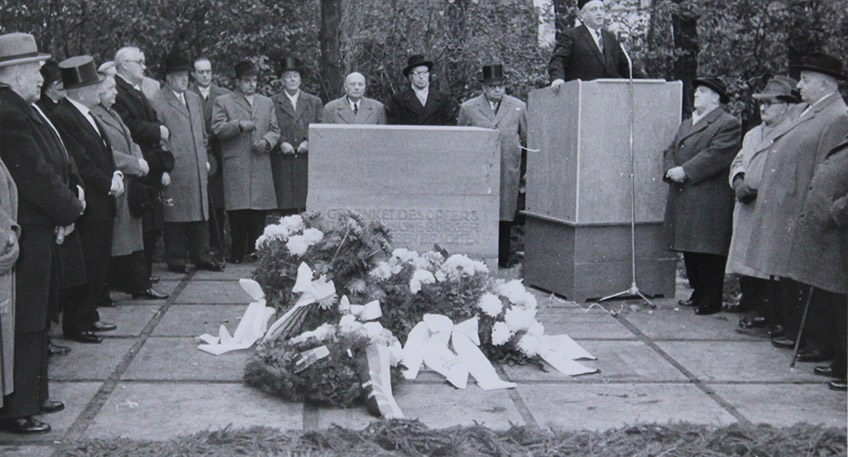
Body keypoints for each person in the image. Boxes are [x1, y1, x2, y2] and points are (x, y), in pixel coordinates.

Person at [0, 32, 83, 434]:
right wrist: (71, 207)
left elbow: (52, 163)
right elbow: (33, 174)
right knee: (27, 320)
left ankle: (34, 394)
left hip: (40, 228)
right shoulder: (8, 112)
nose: (40, 76)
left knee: (38, 316)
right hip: (28, 230)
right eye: (33, 69)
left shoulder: (23, 108)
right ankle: (18, 408)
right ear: (12, 74)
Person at [746, 52, 848, 363]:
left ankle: (817, 341)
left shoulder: (837, 115)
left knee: (812, 277)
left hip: (807, 206)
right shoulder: (808, 110)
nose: (799, 86)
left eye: (805, 80)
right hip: (788, 204)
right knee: (794, 275)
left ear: (824, 84)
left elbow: (828, 166)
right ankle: (801, 334)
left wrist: (813, 206)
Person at [50, 55, 123, 344]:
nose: (100, 89)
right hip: (89, 204)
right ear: (80, 90)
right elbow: (80, 160)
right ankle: (77, 323)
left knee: (98, 262)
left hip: (102, 201)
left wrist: (114, 173)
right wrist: (108, 183)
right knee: (87, 263)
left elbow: (103, 152)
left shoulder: (86, 114)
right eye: (95, 85)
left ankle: (89, 315)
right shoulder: (64, 116)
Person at [662, 77, 741, 316]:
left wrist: (685, 171)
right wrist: (669, 169)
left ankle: (711, 298)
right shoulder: (687, 123)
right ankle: (698, 292)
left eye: (703, 92)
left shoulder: (728, 123)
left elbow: (716, 154)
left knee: (709, 249)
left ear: (716, 98)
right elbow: (671, 149)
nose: (696, 95)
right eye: (696, 91)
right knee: (690, 248)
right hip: (685, 192)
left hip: (709, 196)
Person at [727, 77, 799, 333]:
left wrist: (759, 188)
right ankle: (753, 304)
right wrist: (738, 181)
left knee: (769, 264)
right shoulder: (752, 134)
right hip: (747, 207)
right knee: (747, 260)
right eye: (761, 103)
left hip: (770, 208)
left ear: (787, 106)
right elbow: (738, 162)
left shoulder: (793, 132)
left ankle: (769, 315)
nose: (763, 108)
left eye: (770, 103)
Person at [92, 72, 169, 301]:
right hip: (116, 185)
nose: (116, 93)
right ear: (99, 92)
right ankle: (108, 291)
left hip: (129, 184)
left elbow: (130, 141)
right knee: (116, 242)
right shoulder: (95, 116)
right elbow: (106, 153)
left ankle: (139, 285)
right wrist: (135, 163)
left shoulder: (112, 113)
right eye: (110, 89)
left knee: (131, 240)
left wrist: (139, 159)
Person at [152, 53, 223, 273]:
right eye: (178, 76)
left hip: (197, 164)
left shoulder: (192, 98)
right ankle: (176, 258)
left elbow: (202, 133)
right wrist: (163, 166)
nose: (184, 80)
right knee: (175, 213)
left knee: (200, 211)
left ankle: (202, 256)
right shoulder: (158, 102)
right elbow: (156, 139)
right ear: (168, 78)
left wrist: (205, 157)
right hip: (175, 166)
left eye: (185, 75)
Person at [113, 46, 175, 284]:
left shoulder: (134, 90)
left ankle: (143, 276)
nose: (144, 66)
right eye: (139, 61)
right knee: (142, 225)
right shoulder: (119, 91)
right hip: (137, 165)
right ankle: (137, 279)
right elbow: (128, 125)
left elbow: (148, 116)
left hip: (149, 164)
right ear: (125, 64)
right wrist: (156, 130)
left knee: (149, 225)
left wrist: (158, 129)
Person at [457, 64, 527, 267]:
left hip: (507, 169)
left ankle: (503, 258)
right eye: (493, 86)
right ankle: (478, 256)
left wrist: (524, 170)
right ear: (484, 88)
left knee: (505, 212)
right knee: (479, 210)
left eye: (501, 85)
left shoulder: (518, 107)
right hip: (479, 171)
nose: (498, 90)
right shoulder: (468, 108)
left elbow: (527, 138)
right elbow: (460, 139)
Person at [794, 131, 847, 390]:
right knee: (838, 301)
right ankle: (842, 363)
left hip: (842, 228)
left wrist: (840, 209)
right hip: (837, 234)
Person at [211, 61, 280, 263]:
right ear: (238, 82)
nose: (251, 85)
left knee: (259, 212)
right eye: (247, 81)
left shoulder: (266, 102)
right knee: (238, 212)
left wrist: (267, 141)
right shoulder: (223, 101)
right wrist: (238, 125)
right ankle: (237, 253)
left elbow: (275, 129)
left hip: (260, 162)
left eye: (254, 81)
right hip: (237, 164)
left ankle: (257, 251)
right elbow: (217, 129)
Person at [188, 57, 230, 260]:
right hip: (196, 152)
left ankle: (218, 246)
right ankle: (197, 248)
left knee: (218, 201)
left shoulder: (224, 95)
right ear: (193, 74)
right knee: (197, 200)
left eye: (208, 71)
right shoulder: (187, 95)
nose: (205, 75)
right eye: (200, 72)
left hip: (219, 152)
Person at [270, 56, 322, 215]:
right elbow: (269, 126)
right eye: (288, 76)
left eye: (295, 75)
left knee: (308, 206)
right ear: (281, 80)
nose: (292, 79)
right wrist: (281, 143)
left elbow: (320, 126)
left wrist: (308, 141)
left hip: (307, 161)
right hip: (283, 161)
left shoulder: (314, 101)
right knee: (285, 208)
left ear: (300, 79)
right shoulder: (272, 102)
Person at [548, 0, 630, 93]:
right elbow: (558, 60)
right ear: (582, 14)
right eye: (593, 10)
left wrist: (647, 83)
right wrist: (557, 78)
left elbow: (626, 66)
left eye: (601, 9)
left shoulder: (610, 37)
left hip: (611, 95)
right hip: (583, 94)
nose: (599, 13)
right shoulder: (571, 35)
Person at [387, 55, 454, 125]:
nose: (421, 77)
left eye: (424, 72)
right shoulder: (399, 100)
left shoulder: (442, 99)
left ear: (429, 74)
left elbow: (450, 129)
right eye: (416, 73)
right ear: (410, 76)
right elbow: (395, 130)